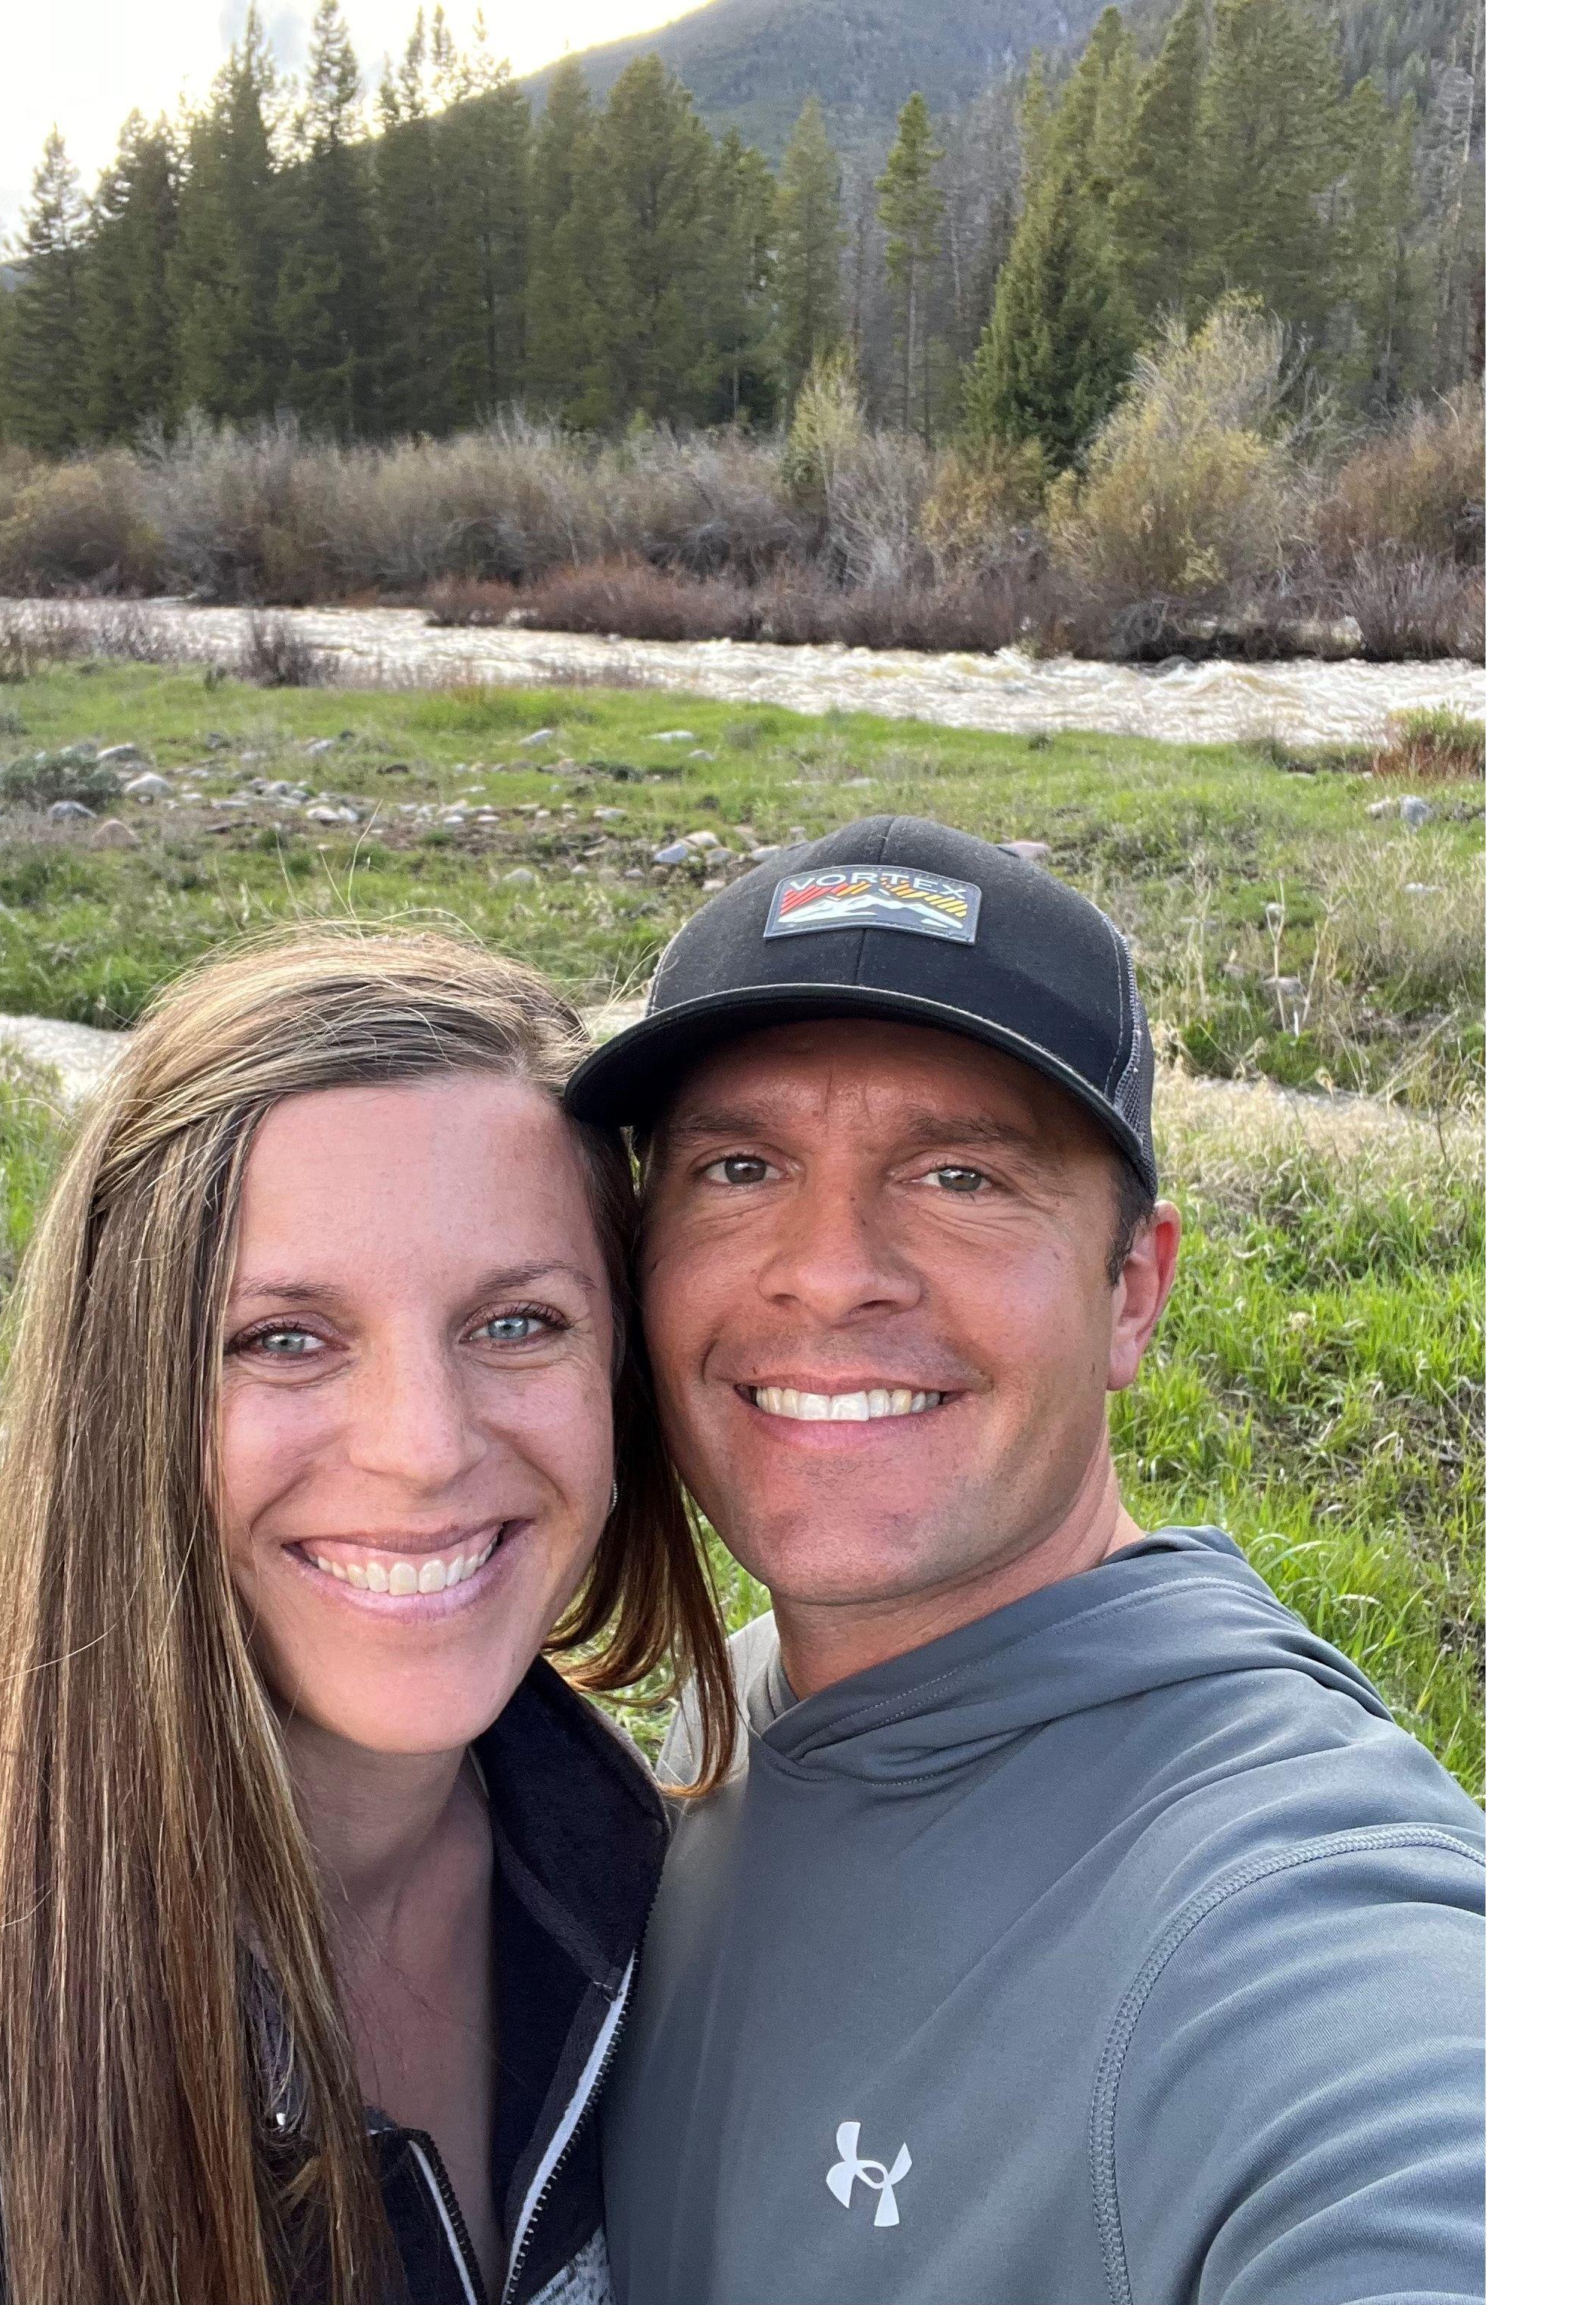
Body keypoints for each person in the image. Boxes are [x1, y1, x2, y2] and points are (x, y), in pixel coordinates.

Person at [570, 816, 1486, 2305]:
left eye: (960, 1177)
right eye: (739, 1166)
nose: (829, 1270)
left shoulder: (1283, 1915)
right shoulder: (731, 1712)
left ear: (1131, 1292)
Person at [0, 930, 736, 2305]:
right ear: (124, 1397)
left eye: (517, 1323)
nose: (421, 1447)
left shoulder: (651, 1878)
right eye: (284, 1339)